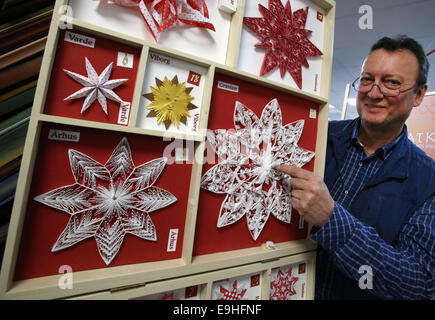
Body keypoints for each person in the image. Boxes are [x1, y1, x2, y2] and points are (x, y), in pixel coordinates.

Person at [276, 35, 435, 299]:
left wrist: (331, 219)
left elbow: (418, 284)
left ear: (418, 95)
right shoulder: (315, 138)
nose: (373, 93)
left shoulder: (429, 181)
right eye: (367, 80)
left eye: (391, 83)